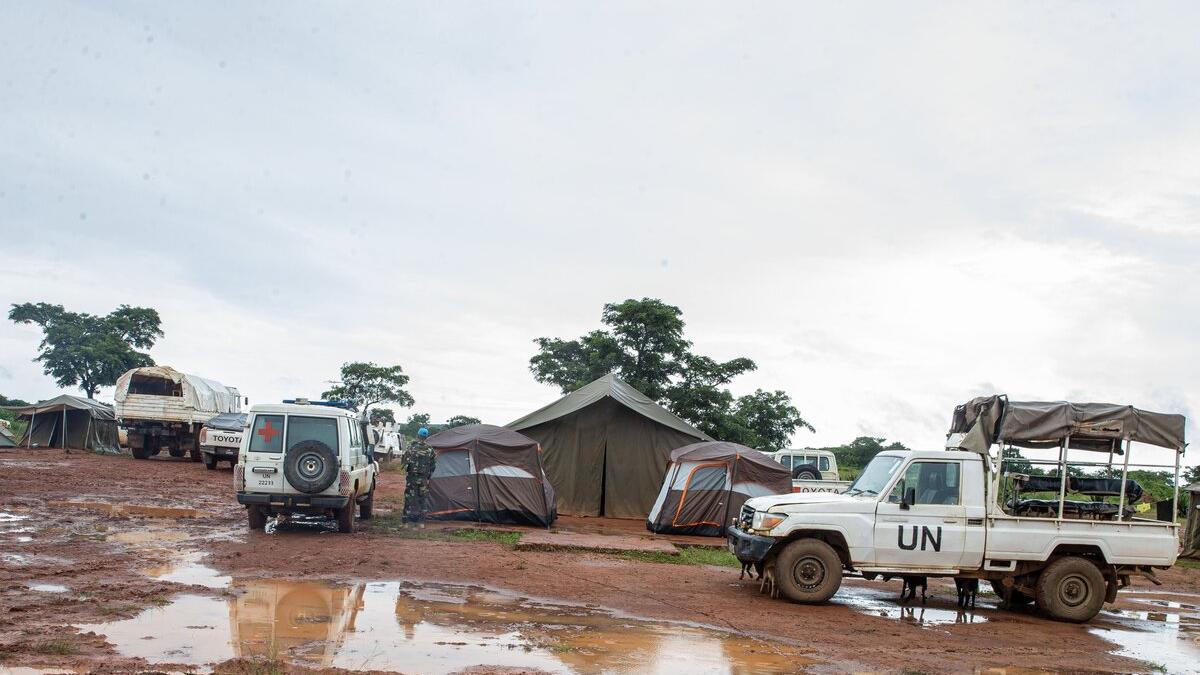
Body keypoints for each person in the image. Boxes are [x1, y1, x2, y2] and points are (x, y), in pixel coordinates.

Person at [404, 427, 435, 523]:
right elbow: (433, 465)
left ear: (418, 435)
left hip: (412, 478)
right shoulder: (430, 450)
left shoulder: (411, 447)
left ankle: (406, 519)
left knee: (409, 498)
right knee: (423, 499)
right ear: (426, 437)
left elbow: (405, 460)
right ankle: (421, 521)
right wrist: (428, 476)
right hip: (423, 478)